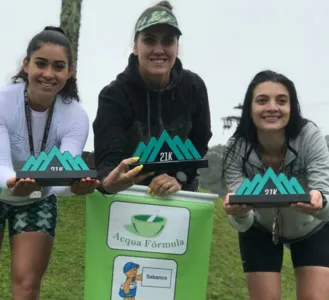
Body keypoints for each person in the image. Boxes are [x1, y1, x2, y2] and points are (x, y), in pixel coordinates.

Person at [0, 26, 99, 300]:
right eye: (41, 63)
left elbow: (62, 176)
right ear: (26, 65)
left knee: (27, 287)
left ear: (70, 71)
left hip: (37, 198)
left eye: (58, 66)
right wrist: (13, 183)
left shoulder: (75, 116)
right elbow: (0, 164)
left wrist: (75, 187)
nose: (48, 74)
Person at [222, 70, 329, 299]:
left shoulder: (309, 136)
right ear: (250, 109)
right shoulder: (235, 148)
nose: (272, 107)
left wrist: (320, 202)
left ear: (292, 108)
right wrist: (239, 214)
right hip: (259, 228)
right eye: (262, 100)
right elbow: (241, 222)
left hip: (311, 227)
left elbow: (324, 196)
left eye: (282, 100)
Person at [93, 0, 212, 197]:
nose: (159, 49)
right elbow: (107, 160)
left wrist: (180, 177)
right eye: (149, 40)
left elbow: (199, 142)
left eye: (168, 41)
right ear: (135, 47)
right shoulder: (113, 95)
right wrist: (108, 183)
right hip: (128, 194)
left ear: (177, 47)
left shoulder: (194, 87)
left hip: (179, 192)